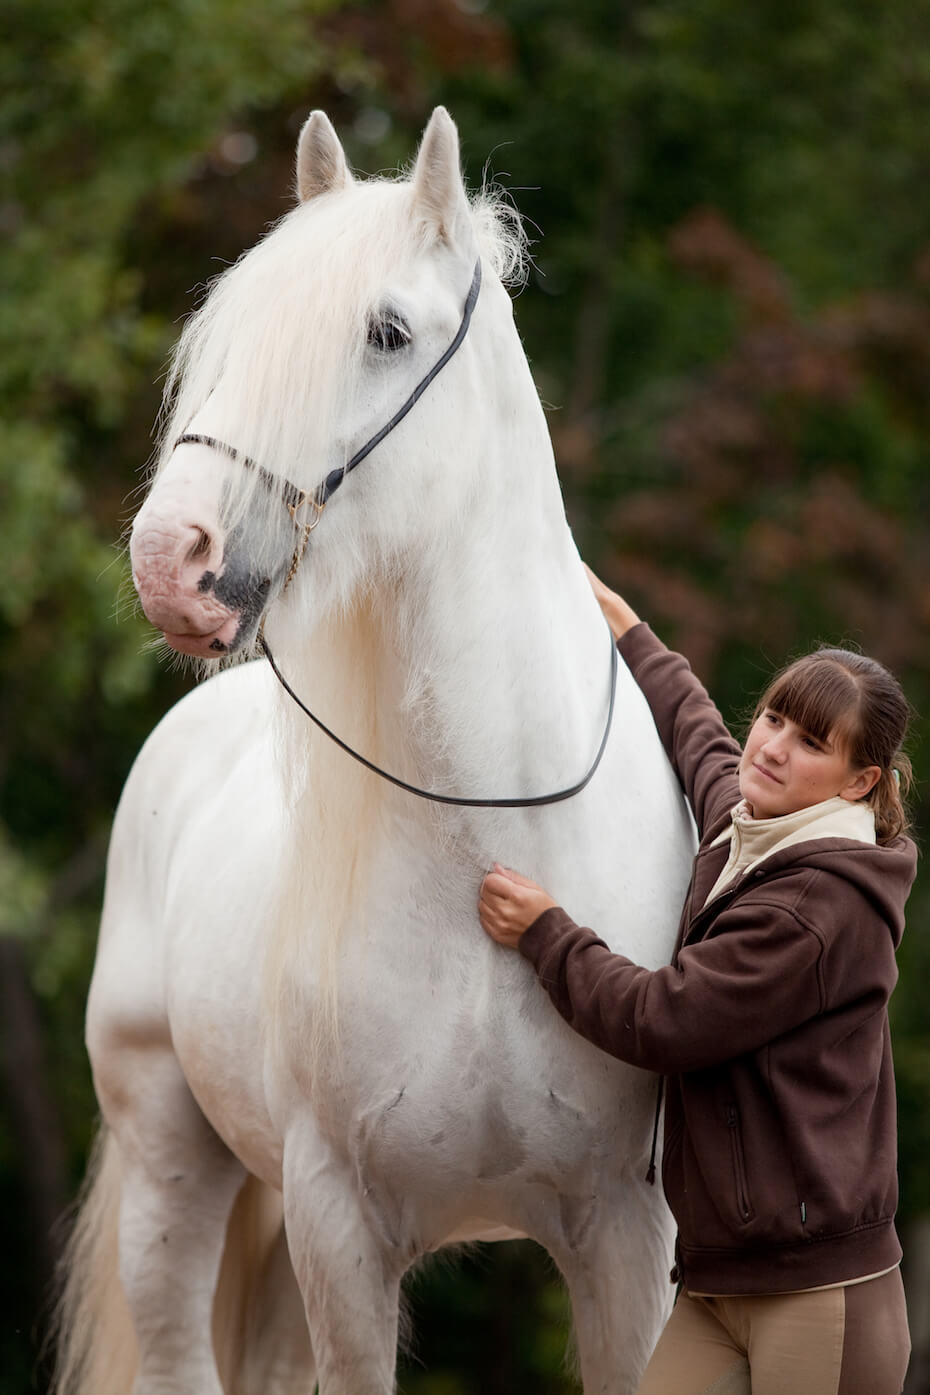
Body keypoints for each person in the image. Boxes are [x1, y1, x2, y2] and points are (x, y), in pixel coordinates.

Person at [479, 568, 916, 1395]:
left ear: (861, 782)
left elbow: (661, 1019)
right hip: (717, 1281)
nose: (774, 746)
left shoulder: (816, 907)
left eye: (812, 742)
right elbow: (702, 739)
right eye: (776, 718)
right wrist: (628, 628)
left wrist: (545, 933)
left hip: (818, 1295)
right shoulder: (755, 832)